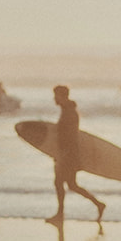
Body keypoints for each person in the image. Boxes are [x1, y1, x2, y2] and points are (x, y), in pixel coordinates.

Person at [46, 84, 105, 226]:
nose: (54, 98)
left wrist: (63, 155)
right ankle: (98, 204)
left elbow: (71, 137)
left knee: (60, 183)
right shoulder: (66, 110)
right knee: (71, 185)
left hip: (68, 155)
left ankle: (60, 215)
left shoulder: (69, 113)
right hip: (66, 154)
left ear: (62, 96)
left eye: (56, 95)